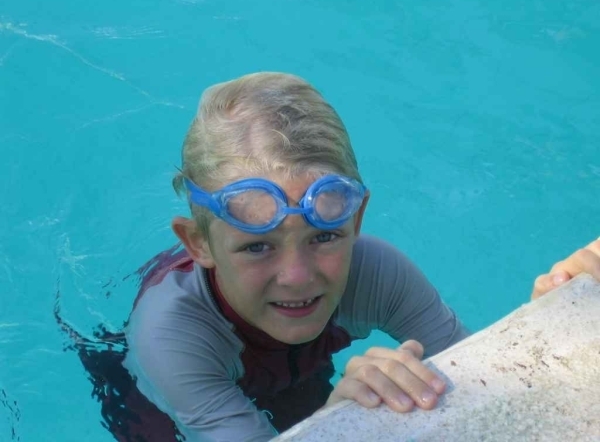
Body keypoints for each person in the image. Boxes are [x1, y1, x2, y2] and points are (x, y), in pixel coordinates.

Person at [57, 72, 600, 442]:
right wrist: (337, 423)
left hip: (291, 367)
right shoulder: (171, 338)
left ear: (356, 221)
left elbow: (481, 383)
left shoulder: (376, 270)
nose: (297, 277)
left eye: (324, 237)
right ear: (198, 243)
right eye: (257, 246)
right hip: (163, 404)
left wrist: (544, 318)